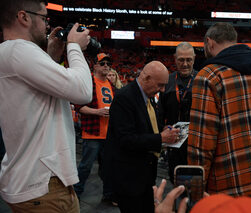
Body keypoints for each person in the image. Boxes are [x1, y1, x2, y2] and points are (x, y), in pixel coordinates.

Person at [0, 0, 92, 212]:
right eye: (43, 18)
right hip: (44, 183)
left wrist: (50, 55)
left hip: (31, 176)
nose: (47, 25)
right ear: (24, 17)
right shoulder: (19, 50)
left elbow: (35, 94)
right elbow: (83, 91)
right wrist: (75, 47)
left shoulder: (9, 52)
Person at [187, 23, 251, 207]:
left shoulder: (209, 76)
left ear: (209, 43)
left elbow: (201, 144)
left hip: (227, 188)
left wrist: (195, 189)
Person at [107, 61, 180, 213]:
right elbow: (126, 140)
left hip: (145, 176)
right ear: (146, 78)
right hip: (130, 179)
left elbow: (146, 126)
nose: (162, 90)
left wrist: (162, 130)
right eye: (160, 85)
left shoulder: (148, 95)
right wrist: (160, 138)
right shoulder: (124, 98)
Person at [73, 53, 115, 204]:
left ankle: (108, 194)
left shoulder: (111, 84)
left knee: (108, 168)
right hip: (92, 133)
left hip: (108, 134)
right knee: (86, 166)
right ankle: (75, 194)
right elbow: (78, 106)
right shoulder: (88, 82)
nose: (106, 66)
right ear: (95, 66)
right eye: (102, 63)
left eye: (108, 64)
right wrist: (97, 112)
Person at [158, 42, 198, 183]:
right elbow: (160, 112)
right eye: (181, 60)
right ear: (175, 58)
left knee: (196, 180)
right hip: (174, 140)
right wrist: (162, 128)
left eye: (189, 60)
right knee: (176, 178)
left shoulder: (202, 81)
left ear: (194, 58)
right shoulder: (167, 81)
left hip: (196, 141)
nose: (185, 64)